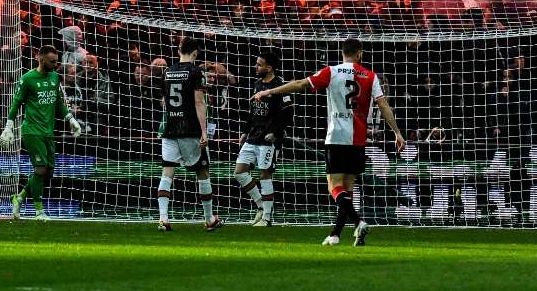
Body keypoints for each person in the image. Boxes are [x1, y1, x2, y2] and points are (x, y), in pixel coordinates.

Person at [253, 34, 407, 247]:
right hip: (358, 140)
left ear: (342, 53)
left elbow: (299, 84)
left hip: (336, 137)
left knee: (334, 186)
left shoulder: (331, 72)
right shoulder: (371, 76)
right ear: (360, 54)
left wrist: (270, 91)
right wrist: (397, 133)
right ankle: (336, 234)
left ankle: (359, 222)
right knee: (348, 189)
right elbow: (383, 105)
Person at [0, 44, 86, 219]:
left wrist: (71, 119)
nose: (56, 64)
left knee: (48, 172)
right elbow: (17, 102)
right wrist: (8, 126)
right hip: (32, 130)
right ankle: (39, 211)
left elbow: (58, 102)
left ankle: (19, 197)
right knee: (40, 169)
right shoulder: (28, 78)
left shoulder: (54, 77)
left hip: (48, 131)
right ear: (41, 59)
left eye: (56, 61)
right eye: (52, 61)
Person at [155, 35, 221, 231]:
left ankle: (163, 219)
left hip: (170, 128)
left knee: (167, 173)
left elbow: (164, 101)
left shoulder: (167, 72)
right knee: (203, 172)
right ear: (195, 53)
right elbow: (199, 102)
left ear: (178, 51)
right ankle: (209, 219)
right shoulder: (196, 71)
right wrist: (204, 131)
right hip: (190, 129)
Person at [232, 49, 293, 227]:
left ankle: (266, 218)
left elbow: (288, 113)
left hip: (269, 138)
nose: (256, 67)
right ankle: (261, 206)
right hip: (253, 135)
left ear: (270, 67)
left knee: (264, 175)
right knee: (239, 173)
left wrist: (275, 132)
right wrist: (244, 131)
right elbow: (252, 112)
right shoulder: (257, 84)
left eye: (259, 64)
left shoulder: (280, 85)